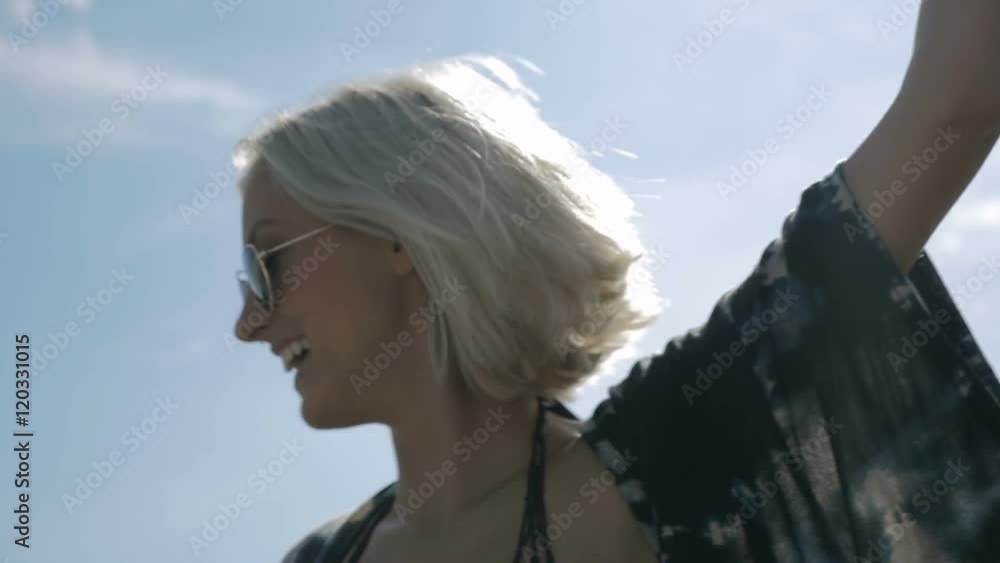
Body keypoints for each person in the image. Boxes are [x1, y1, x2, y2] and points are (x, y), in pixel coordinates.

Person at [231, 2, 1000, 561]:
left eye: (269, 264)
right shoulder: (318, 557)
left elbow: (955, 100)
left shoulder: (681, 449)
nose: (249, 321)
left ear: (399, 234)